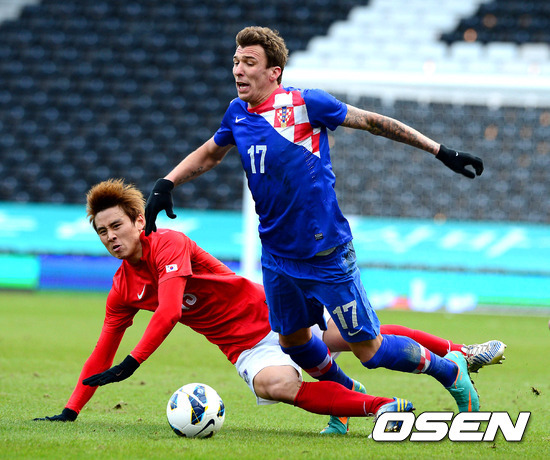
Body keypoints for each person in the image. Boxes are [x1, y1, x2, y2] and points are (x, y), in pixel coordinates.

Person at [144, 26, 488, 418]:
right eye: (236, 61)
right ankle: (347, 393)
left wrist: (441, 151)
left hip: (325, 253)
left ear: (274, 71)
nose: (238, 70)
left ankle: (450, 372)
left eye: (249, 62)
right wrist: (167, 183)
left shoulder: (306, 104)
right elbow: (210, 152)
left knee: (370, 351)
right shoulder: (236, 113)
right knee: (292, 342)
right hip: (277, 256)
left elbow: (373, 121)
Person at [33, 179, 505, 435]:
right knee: (276, 385)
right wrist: (72, 410)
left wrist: (133, 362)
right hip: (243, 347)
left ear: (140, 221)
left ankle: (458, 354)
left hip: (274, 311)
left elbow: (171, 310)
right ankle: (378, 407)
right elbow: (102, 351)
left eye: (116, 226)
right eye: (102, 232)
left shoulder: (168, 243)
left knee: (362, 339)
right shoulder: (122, 288)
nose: (111, 237)